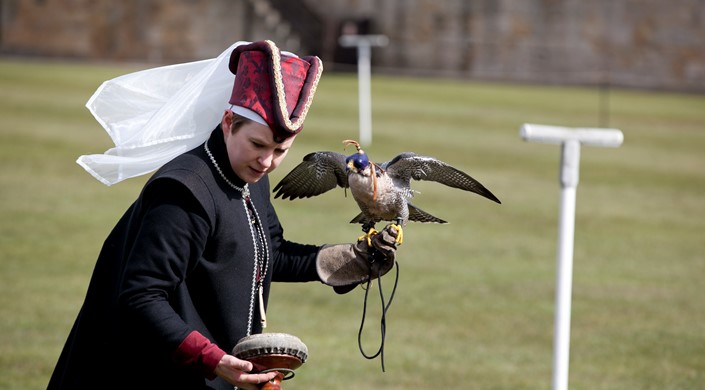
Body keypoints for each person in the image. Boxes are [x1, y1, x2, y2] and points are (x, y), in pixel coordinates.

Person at [48, 40, 399, 390]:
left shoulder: (250, 176)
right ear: (228, 121)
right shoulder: (184, 192)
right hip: (139, 375)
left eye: (280, 150)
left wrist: (348, 261)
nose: (267, 162)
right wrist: (213, 359)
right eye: (258, 145)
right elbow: (142, 295)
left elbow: (269, 252)